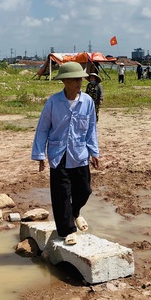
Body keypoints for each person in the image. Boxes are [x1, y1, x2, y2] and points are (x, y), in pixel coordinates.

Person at [32, 62, 100, 246]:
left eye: (80, 79)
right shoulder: (53, 102)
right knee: (61, 194)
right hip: (58, 154)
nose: (79, 82)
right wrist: (40, 155)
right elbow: (43, 129)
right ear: (64, 81)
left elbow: (91, 128)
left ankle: (75, 212)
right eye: (74, 79)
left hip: (79, 153)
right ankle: (68, 230)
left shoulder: (87, 102)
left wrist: (94, 152)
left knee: (85, 190)